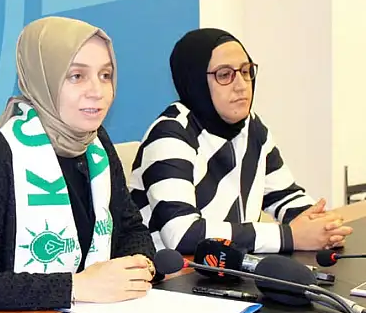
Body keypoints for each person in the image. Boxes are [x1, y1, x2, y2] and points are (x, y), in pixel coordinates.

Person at [0, 16, 159, 313]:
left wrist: (139, 263)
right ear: (43, 78)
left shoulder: (98, 144)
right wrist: (75, 287)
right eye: (77, 76)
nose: (97, 91)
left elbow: (131, 228)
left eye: (105, 75)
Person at [129, 28, 352, 255]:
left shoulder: (251, 126)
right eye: (224, 75)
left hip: (232, 265)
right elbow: (182, 235)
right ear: (195, 81)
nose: (242, 85)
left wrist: (323, 227)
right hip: (174, 272)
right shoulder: (169, 134)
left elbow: (284, 195)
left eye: (246, 71)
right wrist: (289, 237)